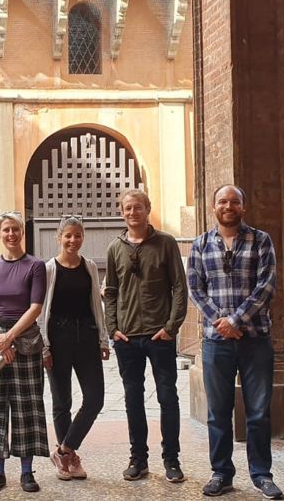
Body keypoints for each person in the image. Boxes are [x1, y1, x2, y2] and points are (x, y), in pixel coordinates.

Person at [187, 186, 284, 499]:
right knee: (218, 411)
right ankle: (221, 473)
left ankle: (261, 475)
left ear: (243, 206)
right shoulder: (201, 244)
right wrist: (222, 322)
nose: (228, 206)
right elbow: (195, 288)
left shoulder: (261, 240)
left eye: (234, 201)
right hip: (216, 341)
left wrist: (236, 321)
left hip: (255, 339)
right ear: (214, 207)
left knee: (258, 411)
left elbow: (266, 285)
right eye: (222, 201)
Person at [104, 188, 187, 483]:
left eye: (137, 207)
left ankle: (172, 459)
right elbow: (110, 290)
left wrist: (171, 326)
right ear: (121, 211)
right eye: (127, 208)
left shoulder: (165, 243)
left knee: (167, 397)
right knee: (133, 399)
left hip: (159, 335)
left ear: (147, 209)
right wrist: (112, 327)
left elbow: (179, 286)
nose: (132, 212)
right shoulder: (115, 248)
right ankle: (138, 458)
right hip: (126, 338)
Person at [0, 211, 49, 494]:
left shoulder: (35, 266)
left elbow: (35, 307)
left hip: (25, 341)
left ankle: (27, 472)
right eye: (6, 229)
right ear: (0, 233)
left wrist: (10, 337)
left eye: (15, 229)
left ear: (22, 232)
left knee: (25, 407)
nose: (11, 234)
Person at [38, 215, 109, 481]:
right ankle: (68, 461)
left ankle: (65, 449)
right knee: (61, 401)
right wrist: (44, 346)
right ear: (59, 237)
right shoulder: (48, 269)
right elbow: (41, 310)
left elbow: (95, 305)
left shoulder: (89, 266)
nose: (72, 240)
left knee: (95, 398)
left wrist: (103, 339)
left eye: (77, 235)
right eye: (67, 235)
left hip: (87, 337)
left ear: (83, 237)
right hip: (57, 337)